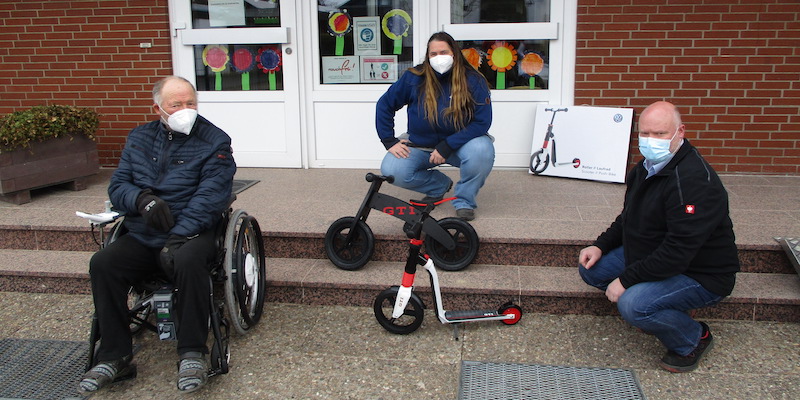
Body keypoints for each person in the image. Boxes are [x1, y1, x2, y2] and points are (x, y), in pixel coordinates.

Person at [80, 76, 236, 393]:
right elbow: (119, 184)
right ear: (158, 108)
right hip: (144, 231)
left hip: (192, 231)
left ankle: (192, 352)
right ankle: (115, 355)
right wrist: (141, 200)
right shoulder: (139, 138)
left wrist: (178, 235)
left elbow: (212, 196)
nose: (185, 109)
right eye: (176, 104)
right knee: (104, 263)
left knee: (189, 260)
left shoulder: (215, 140)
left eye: (190, 103)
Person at [577, 101, 739, 373]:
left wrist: (627, 280)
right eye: (646, 133)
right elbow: (627, 217)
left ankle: (693, 338)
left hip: (701, 273)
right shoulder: (645, 168)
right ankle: (665, 307)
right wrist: (600, 245)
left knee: (634, 305)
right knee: (593, 269)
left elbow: (678, 251)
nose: (651, 140)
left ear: (680, 132)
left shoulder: (693, 180)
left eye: (660, 134)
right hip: (655, 254)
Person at [376, 31, 493, 221]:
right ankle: (438, 186)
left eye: (444, 52)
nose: (439, 58)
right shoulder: (414, 77)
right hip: (421, 144)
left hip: (459, 145)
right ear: (427, 56)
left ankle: (464, 201)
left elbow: (482, 121)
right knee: (392, 169)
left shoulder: (474, 80)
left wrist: (448, 145)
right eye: (434, 54)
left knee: (482, 150)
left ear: (454, 53)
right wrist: (389, 140)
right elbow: (385, 104)